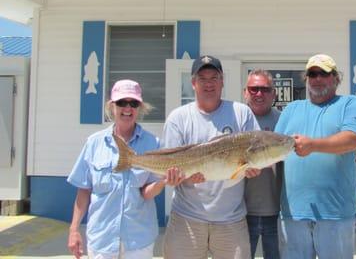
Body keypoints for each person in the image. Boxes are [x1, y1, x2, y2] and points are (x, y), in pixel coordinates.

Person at [67, 79, 185, 259]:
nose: (127, 108)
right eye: (122, 102)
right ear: (112, 106)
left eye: (134, 103)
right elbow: (84, 190)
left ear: (140, 107)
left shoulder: (153, 143)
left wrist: (163, 182)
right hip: (101, 241)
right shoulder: (94, 143)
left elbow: (146, 193)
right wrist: (74, 229)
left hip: (138, 242)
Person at [162, 55, 261, 259]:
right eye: (202, 78)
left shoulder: (242, 113)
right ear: (193, 83)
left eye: (214, 78)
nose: (208, 84)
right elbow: (169, 164)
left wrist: (254, 168)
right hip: (186, 219)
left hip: (231, 220)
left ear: (222, 81)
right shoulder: (178, 118)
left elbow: (255, 153)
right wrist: (179, 177)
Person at [275, 54, 356, 259]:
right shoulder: (291, 109)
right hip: (293, 214)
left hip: (335, 214)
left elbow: (353, 139)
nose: (317, 78)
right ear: (306, 79)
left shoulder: (350, 104)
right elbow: (274, 150)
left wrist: (313, 145)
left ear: (336, 78)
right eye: (312, 74)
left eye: (323, 73)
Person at [243, 69, 282, 259]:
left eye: (265, 89)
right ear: (245, 92)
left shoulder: (284, 120)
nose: (259, 94)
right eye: (254, 89)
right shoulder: (236, 119)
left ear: (274, 93)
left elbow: (306, 141)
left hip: (277, 213)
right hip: (240, 213)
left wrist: (352, 149)